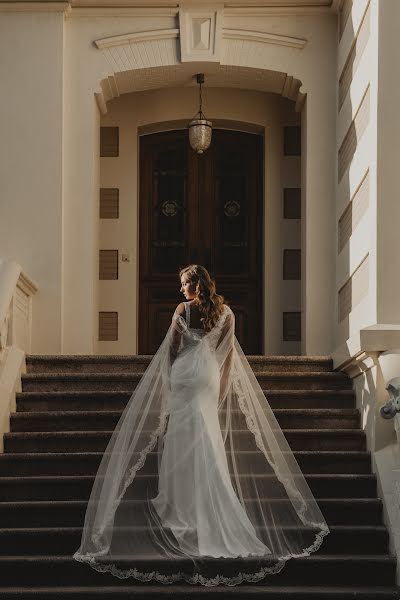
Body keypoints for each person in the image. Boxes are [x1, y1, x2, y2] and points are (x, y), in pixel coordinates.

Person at [73, 264, 329, 586]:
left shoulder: (183, 310)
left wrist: (167, 381)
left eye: (184, 283)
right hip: (207, 375)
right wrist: (219, 390)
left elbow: (172, 350)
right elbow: (229, 358)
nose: (181, 289)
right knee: (205, 433)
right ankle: (213, 499)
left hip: (185, 374)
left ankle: (180, 501)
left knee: (182, 433)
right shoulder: (226, 314)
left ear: (195, 284)